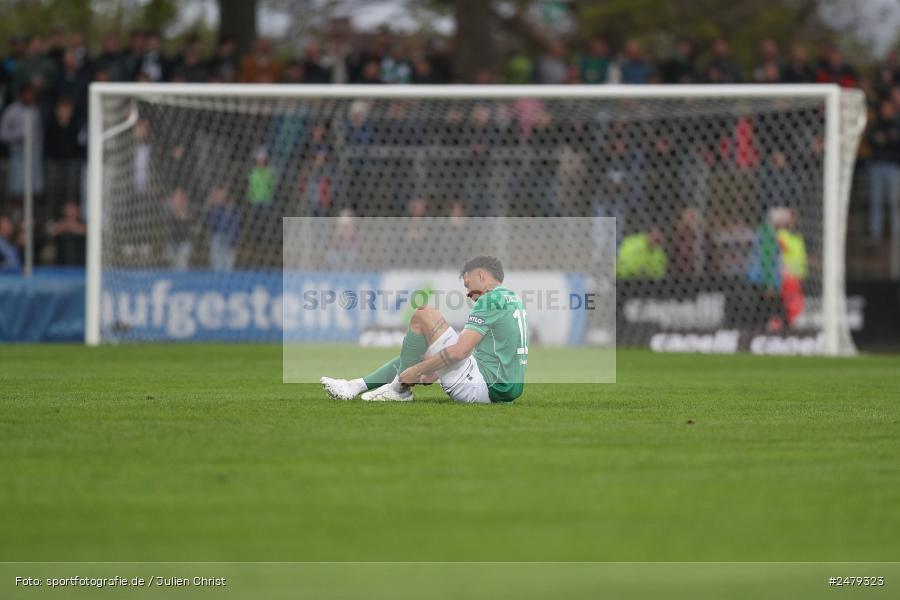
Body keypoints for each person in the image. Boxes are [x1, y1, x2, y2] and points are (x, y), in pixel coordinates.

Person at [321, 256, 528, 404]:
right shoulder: (513, 298)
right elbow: (484, 351)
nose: (467, 292)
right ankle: (355, 386)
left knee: (424, 314)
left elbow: (459, 352)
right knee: (425, 354)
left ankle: (399, 389)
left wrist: (418, 370)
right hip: (504, 390)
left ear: (480, 275)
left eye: (467, 284)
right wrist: (432, 369)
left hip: (483, 387)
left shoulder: (488, 300)